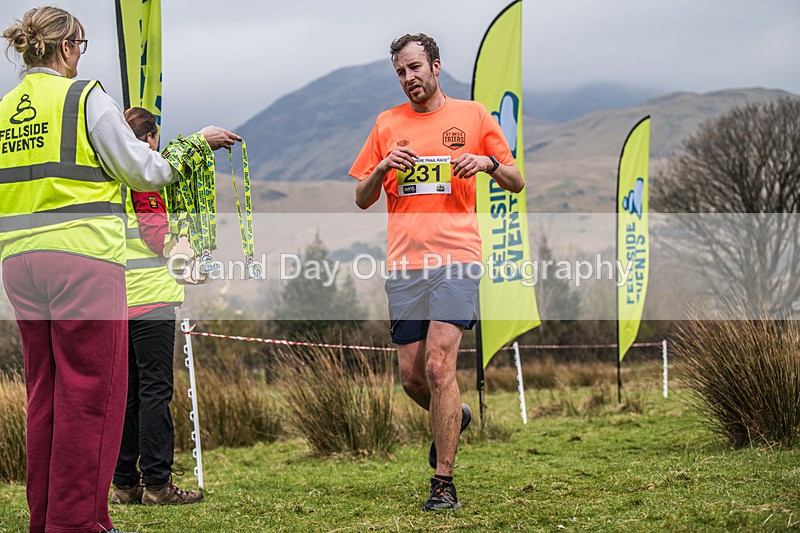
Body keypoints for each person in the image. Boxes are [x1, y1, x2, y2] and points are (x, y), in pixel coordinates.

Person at [0, 7, 240, 533]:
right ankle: (79, 523)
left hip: (17, 262)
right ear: (66, 48)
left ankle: (45, 519)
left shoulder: (3, 109)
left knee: (46, 391)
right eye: (80, 45)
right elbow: (144, 169)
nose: (80, 55)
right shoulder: (84, 96)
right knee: (93, 394)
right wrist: (192, 148)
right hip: (82, 262)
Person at [349, 33, 524, 511]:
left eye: (414, 69)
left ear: (436, 67)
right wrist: (383, 166)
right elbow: (362, 197)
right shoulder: (387, 124)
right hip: (405, 265)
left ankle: (443, 484)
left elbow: (517, 181)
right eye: (400, 73)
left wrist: (486, 163)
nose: (408, 79)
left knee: (437, 365)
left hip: (457, 258)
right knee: (412, 379)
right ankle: (456, 415)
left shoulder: (473, 115)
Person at [108, 107, 202, 506]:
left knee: (127, 396)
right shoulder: (141, 179)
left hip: (115, 298)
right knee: (155, 392)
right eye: (155, 140)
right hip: (151, 298)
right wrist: (186, 256)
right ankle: (159, 485)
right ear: (148, 140)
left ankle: (125, 483)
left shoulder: (110, 176)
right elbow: (155, 232)